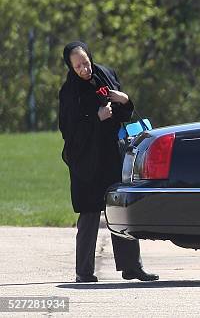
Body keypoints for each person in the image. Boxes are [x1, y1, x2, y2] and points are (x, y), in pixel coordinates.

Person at [59, 41, 158, 283]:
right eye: (78, 66)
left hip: (113, 155)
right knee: (90, 213)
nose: (85, 69)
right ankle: (84, 272)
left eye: (86, 62)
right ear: (71, 68)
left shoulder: (106, 75)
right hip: (86, 161)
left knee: (121, 211)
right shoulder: (69, 92)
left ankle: (131, 267)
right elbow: (68, 131)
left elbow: (124, 115)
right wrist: (96, 117)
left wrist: (124, 100)